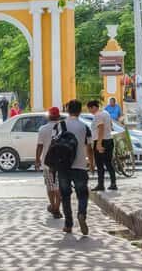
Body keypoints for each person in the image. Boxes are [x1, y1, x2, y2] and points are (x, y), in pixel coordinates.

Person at [56, 99, 93, 235]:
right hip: (80, 165)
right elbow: (89, 147)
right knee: (82, 194)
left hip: (63, 166)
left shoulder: (60, 125)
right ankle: (82, 214)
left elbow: (54, 145)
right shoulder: (84, 127)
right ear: (80, 111)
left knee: (65, 195)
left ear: (67, 110)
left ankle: (68, 224)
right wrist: (92, 163)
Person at [35, 106, 64, 219]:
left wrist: (37, 160)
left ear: (49, 117)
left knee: (50, 186)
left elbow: (40, 146)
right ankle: (57, 207)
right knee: (58, 187)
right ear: (58, 116)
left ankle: (53, 206)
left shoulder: (43, 129)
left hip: (47, 162)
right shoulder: (63, 127)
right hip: (61, 162)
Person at [87, 100, 117, 191]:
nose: (90, 111)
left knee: (100, 164)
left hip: (101, 141)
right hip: (109, 140)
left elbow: (101, 128)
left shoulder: (98, 115)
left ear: (93, 107)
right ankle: (113, 183)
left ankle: (101, 184)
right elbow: (111, 125)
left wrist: (99, 144)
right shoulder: (106, 113)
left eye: (89, 109)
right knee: (108, 163)